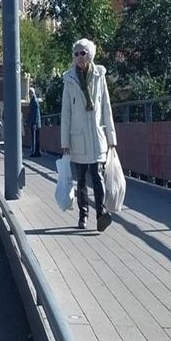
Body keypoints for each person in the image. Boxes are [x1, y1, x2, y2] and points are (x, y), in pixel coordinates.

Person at [60, 38, 117, 232]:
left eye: (82, 53)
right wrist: (65, 141)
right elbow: (65, 111)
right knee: (82, 179)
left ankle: (100, 214)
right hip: (78, 137)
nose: (79, 57)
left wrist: (112, 138)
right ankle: (83, 215)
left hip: (97, 136)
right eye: (76, 54)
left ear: (90, 54)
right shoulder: (69, 79)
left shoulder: (99, 75)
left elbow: (106, 107)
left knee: (98, 176)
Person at [28, 87, 43, 157]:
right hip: (36, 122)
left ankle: (34, 152)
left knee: (34, 138)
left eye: (29, 93)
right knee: (36, 138)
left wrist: (34, 123)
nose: (29, 95)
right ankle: (37, 151)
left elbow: (35, 113)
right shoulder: (34, 100)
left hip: (34, 123)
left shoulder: (34, 101)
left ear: (32, 93)